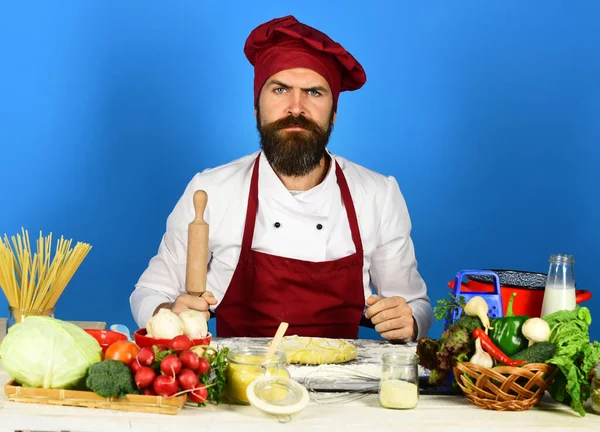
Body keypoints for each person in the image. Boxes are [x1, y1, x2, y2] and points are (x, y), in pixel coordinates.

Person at [130, 15, 433, 341]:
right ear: (257, 107)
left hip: (345, 385)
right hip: (235, 384)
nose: (296, 107)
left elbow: (416, 304)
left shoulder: (377, 194)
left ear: (334, 112)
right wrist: (167, 315)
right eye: (280, 89)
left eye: (314, 92)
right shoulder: (212, 191)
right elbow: (148, 292)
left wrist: (410, 321)